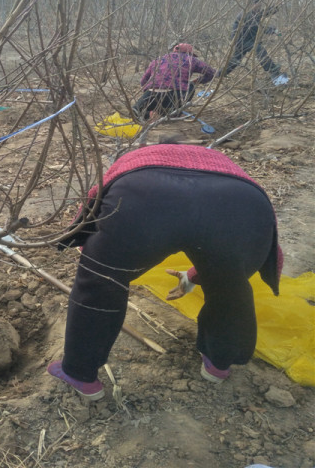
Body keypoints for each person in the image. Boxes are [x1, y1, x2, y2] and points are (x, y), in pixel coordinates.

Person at [48, 143, 283, 400]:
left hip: (143, 197)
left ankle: (80, 373)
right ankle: (219, 362)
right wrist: (198, 275)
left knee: (101, 282)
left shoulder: (136, 159)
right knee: (230, 286)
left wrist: (99, 258)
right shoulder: (220, 162)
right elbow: (236, 254)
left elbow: (94, 201)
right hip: (241, 204)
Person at [132, 44, 215, 121]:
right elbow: (211, 72)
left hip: (150, 95)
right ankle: (174, 112)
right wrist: (198, 81)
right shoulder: (191, 59)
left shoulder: (158, 60)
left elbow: (143, 81)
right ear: (189, 53)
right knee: (191, 86)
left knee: (135, 111)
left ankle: (149, 114)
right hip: (174, 96)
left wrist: (148, 91)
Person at [222, 0, 288, 85]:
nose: (260, 6)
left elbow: (264, 13)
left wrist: (276, 7)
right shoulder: (246, 15)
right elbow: (257, 28)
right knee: (259, 50)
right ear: (253, 4)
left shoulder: (253, 13)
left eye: (261, 4)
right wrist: (273, 30)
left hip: (246, 40)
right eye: (258, 4)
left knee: (235, 61)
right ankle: (273, 71)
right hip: (241, 41)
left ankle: (220, 73)